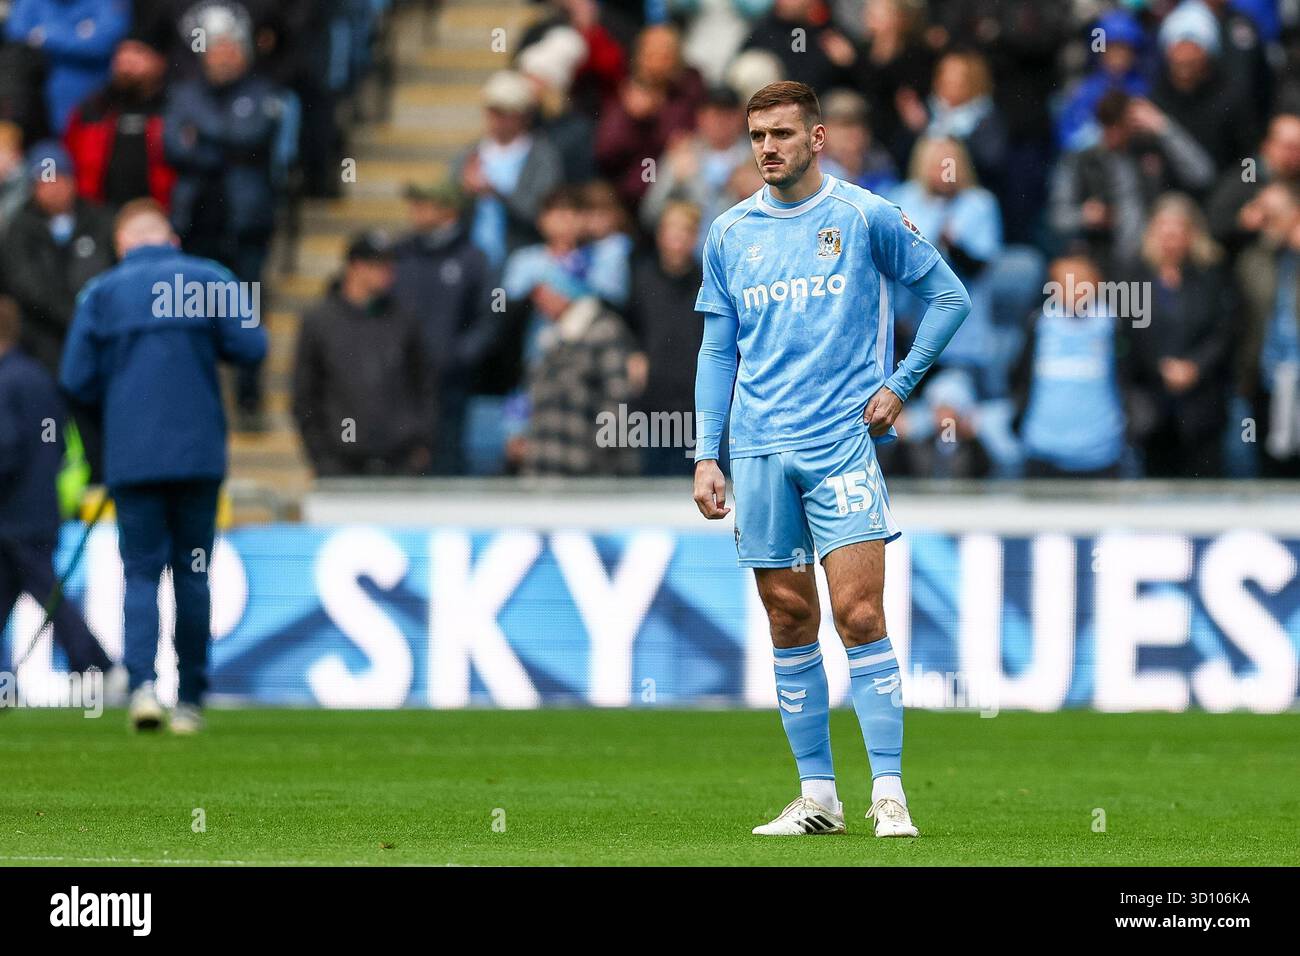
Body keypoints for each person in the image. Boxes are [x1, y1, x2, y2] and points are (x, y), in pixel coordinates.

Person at [692, 81, 970, 838]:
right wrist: (704, 454)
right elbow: (719, 347)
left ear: (818, 138)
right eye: (757, 137)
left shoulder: (864, 216)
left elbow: (950, 298)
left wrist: (901, 384)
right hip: (755, 449)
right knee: (789, 619)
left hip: (839, 444)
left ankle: (888, 791)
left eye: (782, 134)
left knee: (858, 612)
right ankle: (818, 797)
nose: (767, 148)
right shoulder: (728, 234)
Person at [58, 198, 267, 733]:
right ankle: (192, 697)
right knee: (194, 575)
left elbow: (75, 378)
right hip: (198, 456)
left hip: (134, 457)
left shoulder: (102, 292)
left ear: (123, 244)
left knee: (142, 573)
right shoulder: (209, 279)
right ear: (170, 239)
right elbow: (252, 345)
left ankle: (144, 687)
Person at [0, 295, 115, 683]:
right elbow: (59, 444)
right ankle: (93, 664)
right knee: (25, 593)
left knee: (48, 594)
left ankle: (95, 662)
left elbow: (7, 447)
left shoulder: (5, 380)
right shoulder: (38, 377)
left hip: (14, 514)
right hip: (40, 507)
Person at [292, 231, 436, 477]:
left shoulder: (404, 319)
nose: (388, 272)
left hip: (399, 461)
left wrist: (420, 444)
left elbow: (424, 385)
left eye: (390, 264)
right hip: (341, 462)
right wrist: (321, 455)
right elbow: (305, 394)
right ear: (355, 267)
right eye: (379, 265)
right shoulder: (320, 321)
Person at [1122, 194, 1232, 477]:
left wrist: (1195, 366)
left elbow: (1225, 328)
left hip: (1203, 400)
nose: (1171, 240)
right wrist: (1161, 368)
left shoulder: (1212, 274)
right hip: (1153, 403)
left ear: (1191, 235)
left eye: (1178, 232)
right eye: (1164, 232)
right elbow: (1129, 334)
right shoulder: (1134, 275)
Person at [0, 140, 114, 378]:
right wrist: (71, 315)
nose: (53, 189)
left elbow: (108, 272)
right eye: (44, 182)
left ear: (72, 181)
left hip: (98, 328)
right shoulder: (20, 228)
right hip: (42, 339)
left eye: (59, 179)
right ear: (33, 188)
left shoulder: (100, 220)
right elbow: (25, 284)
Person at [1012, 254, 1128, 478]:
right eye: (1065, 283)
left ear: (1096, 285)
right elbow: (1018, 377)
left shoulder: (1114, 327)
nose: (1074, 291)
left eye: (1080, 282)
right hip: (1042, 453)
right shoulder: (1038, 325)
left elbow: (1130, 377)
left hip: (1102, 455)